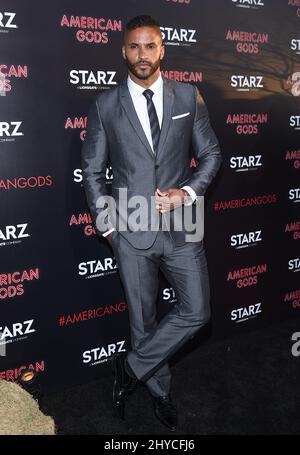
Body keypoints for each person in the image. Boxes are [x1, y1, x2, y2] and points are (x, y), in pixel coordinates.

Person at [81, 15, 222, 431]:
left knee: (197, 311)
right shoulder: (106, 104)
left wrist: (189, 192)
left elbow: (212, 155)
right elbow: (92, 170)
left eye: (150, 46)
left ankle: (128, 370)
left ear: (162, 49)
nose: (142, 55)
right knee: (142, 321)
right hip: (130, 225)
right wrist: (108, 227)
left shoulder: (187, 97)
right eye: (134, 47)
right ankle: (159, 391)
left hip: (183, 222)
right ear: (124, 51)